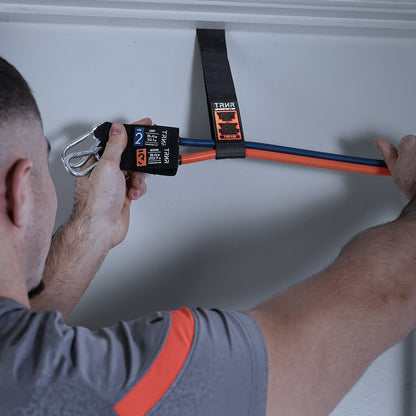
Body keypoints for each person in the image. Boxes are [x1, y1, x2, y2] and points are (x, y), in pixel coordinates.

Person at [0, 55, 415, 416]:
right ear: (21, 191)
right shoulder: (128, 378)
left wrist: (92, 229)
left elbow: (28, 355)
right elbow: (389, 294)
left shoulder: (33, 374)